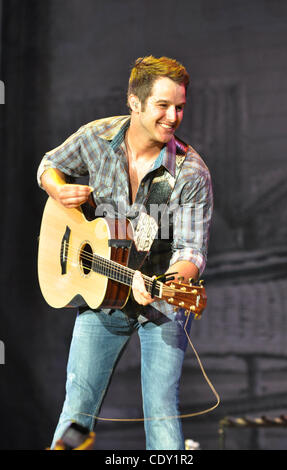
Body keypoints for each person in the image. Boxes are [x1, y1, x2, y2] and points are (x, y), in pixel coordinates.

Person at [37, 55, 213, 450]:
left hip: (162, 300)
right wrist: (56, 187)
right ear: (134, 101)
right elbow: (49, 165)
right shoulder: (96, 139)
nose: (173, 117)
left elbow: (192, 251)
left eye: (180, 107)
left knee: (161, 410)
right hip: (102, 296)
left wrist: (168, 284)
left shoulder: (190, 173)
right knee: (77, 409)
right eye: (163, 105)